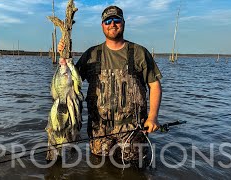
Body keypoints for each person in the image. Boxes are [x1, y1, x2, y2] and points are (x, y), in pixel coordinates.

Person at [58, 5, 162, 164]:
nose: (112, 24)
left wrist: (153, 117)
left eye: (116, 20)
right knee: (99, 170)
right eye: (108, 21)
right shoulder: (91, 54)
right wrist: (64, 60)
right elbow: (71, 82)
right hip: (99, 130)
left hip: (133, 130)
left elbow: (154, 85)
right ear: (102, 25)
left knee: (134, 170)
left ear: (123, 23)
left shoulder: (139, 52)